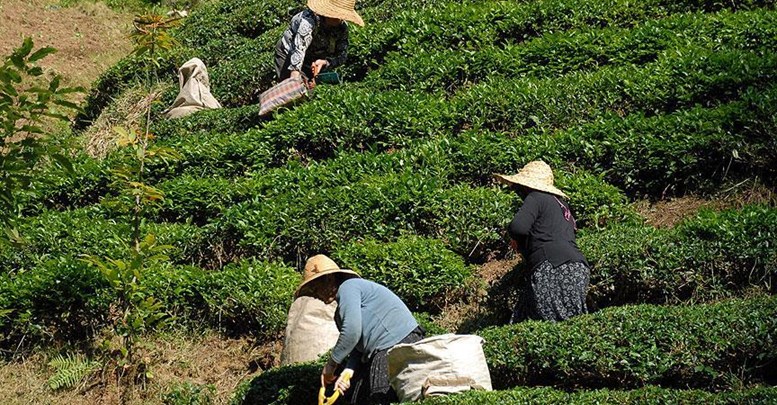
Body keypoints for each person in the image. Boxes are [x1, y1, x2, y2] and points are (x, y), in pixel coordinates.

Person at [295, 254, 424, 405]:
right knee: (356, 396)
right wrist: (348, 371)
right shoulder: (340, 312)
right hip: (379, 350)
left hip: (397, 342)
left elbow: (351, 332)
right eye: (313, 292)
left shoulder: (349, 287)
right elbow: (358, 346)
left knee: (379, 397)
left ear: (329, 279)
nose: (317, 295)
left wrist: (330, 365)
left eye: (316, 288)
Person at [494, 160, 590, 322]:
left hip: (554, 267)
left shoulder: (536, 197)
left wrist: (514, 238)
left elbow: (518, 227)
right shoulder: (561, 204)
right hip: (578, 267)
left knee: (554, 327)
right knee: (527, 319)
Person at [275, 0, 364, 82]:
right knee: (293, 89)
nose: (339, 19)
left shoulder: (342, 28)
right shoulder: (309, 21)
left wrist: (325, 62)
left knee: (310, 90)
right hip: (288, 52)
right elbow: (299, 49)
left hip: (312, 58)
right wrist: (294, 77)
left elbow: (342, 56)